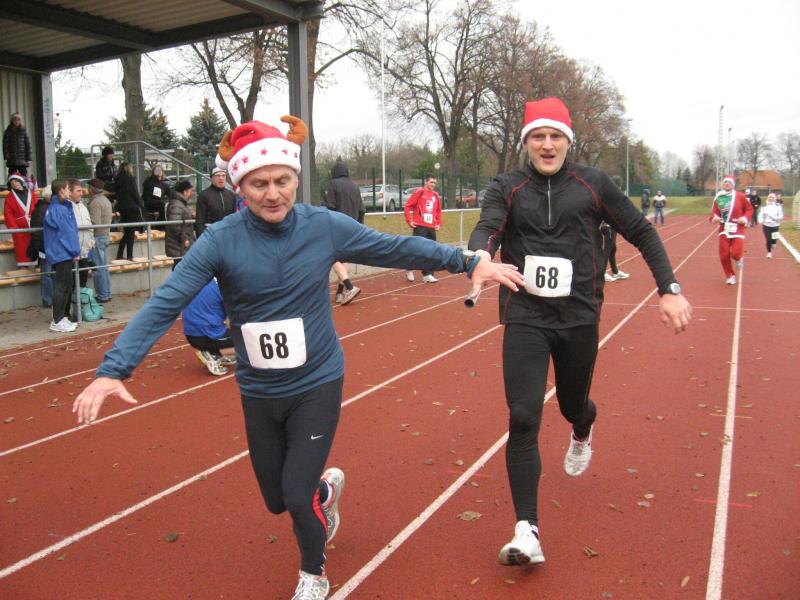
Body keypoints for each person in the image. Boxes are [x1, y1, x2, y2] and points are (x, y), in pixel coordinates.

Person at [72, 116, 523, 600]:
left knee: (294, 491)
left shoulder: (322, 226)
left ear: (295, 179)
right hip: (259, 388)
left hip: (316, 382)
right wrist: (114, 369)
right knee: (276, 499)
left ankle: (313, 573)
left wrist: (466, 260)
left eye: (282, 181)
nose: (273, 194)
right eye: (259, 184)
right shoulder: (220, 239)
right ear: (240, 186)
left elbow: (394, 247)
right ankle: (325, 495)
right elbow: (167, 301)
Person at [467, 97, 692, 567]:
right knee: (523, 416)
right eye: (538, 136)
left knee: (573, 405)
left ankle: (583, 426)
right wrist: (481, 257)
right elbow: (488, 228)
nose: (547, 144)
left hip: (579, 317)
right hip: (526, 315)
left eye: (556, 136)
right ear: (526, 142)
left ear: (569, 141)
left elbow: (642, 231)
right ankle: (527, 530)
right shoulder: (508, 186)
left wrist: (668, 288)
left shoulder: (593, 184)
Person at [322, 159, 365, 305]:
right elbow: (361, 209)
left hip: (336, 226)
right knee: (344, 259)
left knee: (332, 256)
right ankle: (340, 292)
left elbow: (329, 207)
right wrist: (360, 227)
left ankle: (349, 286)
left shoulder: (332, 184)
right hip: (353, 228)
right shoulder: (355, 186)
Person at [43, 179, 80, 333]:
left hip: (61, 250)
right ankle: (58, 320)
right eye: (67, 188)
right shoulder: (58, 209)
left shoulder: (59, 207)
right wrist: (75, 251)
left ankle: (62, 317)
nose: (69, 191)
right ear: (61, 191)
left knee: (66, 285)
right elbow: (67, 232)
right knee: (62, 285)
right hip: (61, 251)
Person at [182, 278, 236, 376]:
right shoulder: (226, 287)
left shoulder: (202, 280)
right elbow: (233, 320)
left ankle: (216, 352)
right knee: (248, 341)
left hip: (190, 333)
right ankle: (214, 354)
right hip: (207, 334)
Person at [710, 175, 753, 285]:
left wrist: (744, 218)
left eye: (729, 182)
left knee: (736, 253)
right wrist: (715, 218)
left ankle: (739, 259)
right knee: (724, 254)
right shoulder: (718, 197)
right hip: (724, 229)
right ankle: (730, 275)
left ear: (733, 185)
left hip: (737, 228)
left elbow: (749, 209)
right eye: (725, 182)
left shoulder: (739, 196)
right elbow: (713, 214)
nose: (727, 184)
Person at [403, 174, 443, 283]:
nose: (433, 184)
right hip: (420, 226)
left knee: (432, 251)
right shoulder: (419, 192)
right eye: (431, 182)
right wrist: (409, 220)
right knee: (417, 249)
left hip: (431, 227)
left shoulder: (435, 195)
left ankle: (428, 274)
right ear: (426, 182)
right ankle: (410, 268)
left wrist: (438, 223)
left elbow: (438, 211)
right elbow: (407, 206)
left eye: (434, 183)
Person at [86, 179, 113, 302]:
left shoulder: (95, 202)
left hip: (97, 236)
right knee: (104, 267)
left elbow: (94, 222)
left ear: (92, 189)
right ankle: (106, 293)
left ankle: (102, 295)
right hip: (105, 235)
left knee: (98, 268)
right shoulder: (105, 200)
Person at [4, 174, 38, 268]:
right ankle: (24, 266)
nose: (15, 184)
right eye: (12, 183)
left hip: (33, 223)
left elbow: (37, 207)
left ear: (21, 181)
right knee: (22, 247)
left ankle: (37, 264)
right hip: (19, 227)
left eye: (16, 181)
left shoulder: (31, 194)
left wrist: (37, 221)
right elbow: (8, 213)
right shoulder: (9, 197)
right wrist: (14, 227)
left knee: (35, 243)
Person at [27, 188, 53, 307]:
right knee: (47, 274)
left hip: (50, 246)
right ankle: (48, 300)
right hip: (45, 247)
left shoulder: (47, 207)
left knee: (50, 274)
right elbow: (37, 232)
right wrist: (41, 248)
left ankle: (51, 299)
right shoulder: (41, 210)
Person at [113, 162, 144, 261]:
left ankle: (120, 254)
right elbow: (135, 193)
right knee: (130, 233)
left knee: (127, 232)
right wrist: (141, 204)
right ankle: (129, 255)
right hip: (131, 207)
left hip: (122, 208)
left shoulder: (117, 179)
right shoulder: (131, 179)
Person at [67, 179, 95, 288]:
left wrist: (91, 243)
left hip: (84, 252)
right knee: (72, 283)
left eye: (81, 191)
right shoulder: (66, 207)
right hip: (72, 253)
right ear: (70, 192)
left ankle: (82, 298)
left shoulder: (83, 207)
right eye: (78, 191)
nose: (81, 193)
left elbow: (90, 226)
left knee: (83, 282)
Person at [194, 166, 237, 237]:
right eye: (218, 175)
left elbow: (234, 218)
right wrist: (202, 239)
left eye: (223, 175)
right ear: (212, 178)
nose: (221, 178)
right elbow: (199, 222)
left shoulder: (231, 195)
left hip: (228, 235)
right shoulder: (204, 196)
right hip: (211, 235)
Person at [165, 179, 196, 269]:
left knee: (180, 267)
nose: (191, 193)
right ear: (184, 192)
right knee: (180, 268)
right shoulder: (177, 204)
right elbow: (174, 224)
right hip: (179, 244)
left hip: (181, 244)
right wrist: (184, 239)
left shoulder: (180, 203)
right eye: (190, 191)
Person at [3, 112, 32, 177]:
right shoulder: (8, 131)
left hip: (22, 160)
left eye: (18, 119)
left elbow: (28, 145)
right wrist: (6, 157)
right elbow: (5, 145)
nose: (16, 121)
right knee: (12, 176)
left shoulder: (23, 131)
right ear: (12, 120)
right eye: (15, 119)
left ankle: (24, 184)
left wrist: (28, 158)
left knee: (24, 176)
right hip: (12, 159)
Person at [758, 192, 783, 258]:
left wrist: (775, 218)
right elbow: (760, 215)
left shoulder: (778, 207)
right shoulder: (764, 207)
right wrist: (760, 220)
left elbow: (781, 216)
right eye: (770, 197)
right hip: (766, 226)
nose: (771, 198)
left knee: (774, 240)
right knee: (768, 240)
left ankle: (774, 243)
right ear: (768, 198)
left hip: (775, 226)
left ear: (775, 198)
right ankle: (769, 253)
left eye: (772, 197)